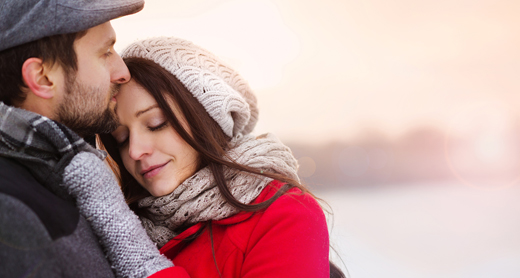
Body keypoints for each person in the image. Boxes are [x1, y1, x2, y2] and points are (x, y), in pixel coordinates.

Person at [96, 36, 345, 277]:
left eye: (156, 123)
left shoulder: (285, 215)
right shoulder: (120, 224)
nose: (135, 151)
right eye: (122, 139)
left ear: (205, 117)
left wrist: (140, 259)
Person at [0, 1, 180, 277]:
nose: (123, 72)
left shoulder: (62, 178)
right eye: (105, 52)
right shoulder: (12, 215)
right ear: (43, 78)